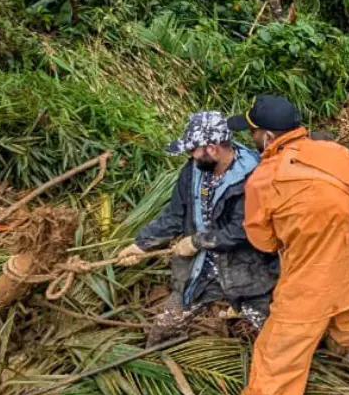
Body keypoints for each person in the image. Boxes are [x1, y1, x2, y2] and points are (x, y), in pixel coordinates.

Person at [225, 95, 349, 395]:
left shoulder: (264, 179)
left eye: (255, 133)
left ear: (269, 136)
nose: (253, 140)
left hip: (310, 285)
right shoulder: (337, 153)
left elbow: (263, 241)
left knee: (275, 367)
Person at [118, 112, 277, 345]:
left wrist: (196, 242)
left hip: (245, 271)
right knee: (163, 331)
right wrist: (141, 245)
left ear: (212, 149)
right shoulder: (194, 170)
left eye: (194, 149)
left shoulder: (254, 177)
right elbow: (175, 215)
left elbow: (242, 230)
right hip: (198, 271)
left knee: (264, 340)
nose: (191, 155)